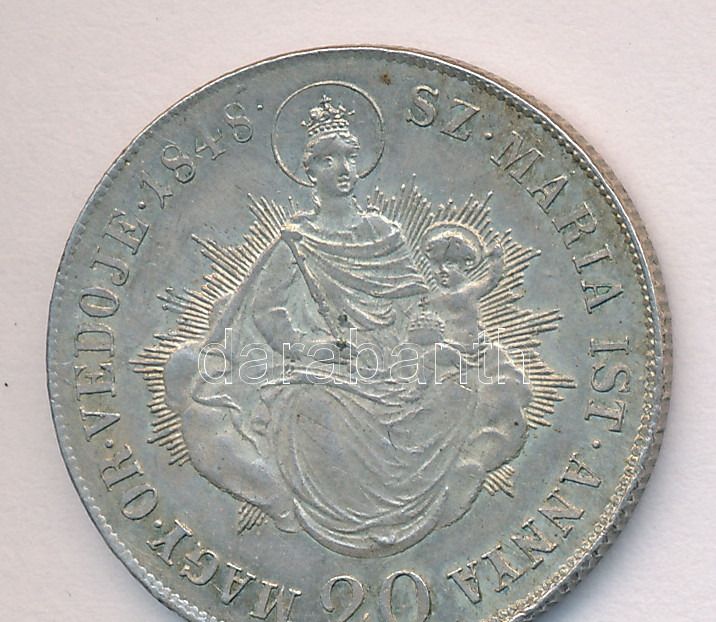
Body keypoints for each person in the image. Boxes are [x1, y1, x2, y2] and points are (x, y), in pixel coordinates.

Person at [163, 96, 531, 557]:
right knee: (310, 405)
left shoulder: (384, 235)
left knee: (456, 392)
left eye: (350, 157)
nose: (343, 168)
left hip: (394, 360)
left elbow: (411, 303)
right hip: (328, 364)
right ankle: (336, 516)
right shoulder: (296, 242)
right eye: (329, 159)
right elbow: (267, 310)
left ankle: (416, 506)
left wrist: (423, 331)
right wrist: (308, 347)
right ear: (310, 171)